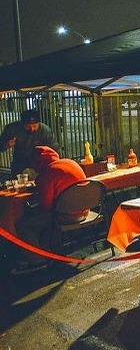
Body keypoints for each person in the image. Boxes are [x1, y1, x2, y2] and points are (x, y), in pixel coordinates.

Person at [12, 146, 86, 274]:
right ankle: (48, 251)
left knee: (22, 224)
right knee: (44, 219)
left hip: (67, 216)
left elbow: (46, 206)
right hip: (85, 211)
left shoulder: (47, 173)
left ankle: (37, 261)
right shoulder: (70, 162)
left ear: (37, 163)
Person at [0, 109, 58, 176]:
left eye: (35, 126)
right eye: (28, 126)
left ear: (39, 123)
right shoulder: (13, 129)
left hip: (39, 165)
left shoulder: (45, 131)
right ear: (22, 124)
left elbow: (55, 150)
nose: (32, 129)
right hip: (20, 164)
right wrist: (6, 145)